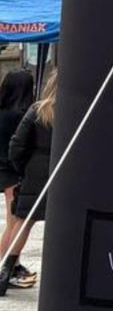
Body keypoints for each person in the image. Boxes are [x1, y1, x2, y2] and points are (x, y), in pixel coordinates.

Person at [0, 72, 52, 295]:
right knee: (16, 223)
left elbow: (17, 145)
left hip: (19, 170)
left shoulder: (35, 110)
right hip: (19, 171)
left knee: (20, 221)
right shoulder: (28, 112)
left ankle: (9, 266)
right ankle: (7, 265)